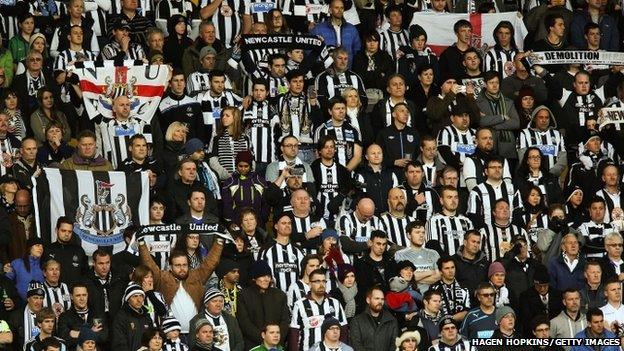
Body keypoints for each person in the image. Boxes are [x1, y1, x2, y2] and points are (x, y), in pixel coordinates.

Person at [138, 233, 224, 336]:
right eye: (178, 265)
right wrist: (142, 243)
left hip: (195, 333)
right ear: (170, 267)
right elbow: (149, 263)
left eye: (184, 265)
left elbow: (211, 263)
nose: (182, 268)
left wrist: (219, 242)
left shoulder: (196, 276)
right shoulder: (163, 277)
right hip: (171, 334)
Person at [289, 269, 348, 351]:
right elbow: (294, 334)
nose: (321, 284)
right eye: (317, 281)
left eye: (324, 281)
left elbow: (343, 331)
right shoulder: (300, 305)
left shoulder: (335, 303)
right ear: (310, 284)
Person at [237, 260, 290, 350]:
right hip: (253, 346)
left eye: (268, 276)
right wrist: (264, 340)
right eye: (262, 276)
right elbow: (244, 323)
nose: (266, 279)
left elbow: (285, 321)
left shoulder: (280, 295)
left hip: (277, 346)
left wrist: (276, 339)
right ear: (254, 277)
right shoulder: (243, 295)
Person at [57, 283, 108, 351]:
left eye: (84, 295)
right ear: (71, 297)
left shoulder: (97, 315)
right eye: (78, 295)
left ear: (87, 295)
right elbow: (65, 340)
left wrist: (76, 333)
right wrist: (91, 332)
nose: (82, 298)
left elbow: (102, 337)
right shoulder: (64, 317)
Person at [309, 0, 360, 67]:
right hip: (325, 70)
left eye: (342, 8)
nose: (340, 10)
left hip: (346, 69)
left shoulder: (351, 29)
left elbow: (357, 50)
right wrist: (319, 64)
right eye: (336, 8)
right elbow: (310, 50)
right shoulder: (318, 29)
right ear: (330, 10)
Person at [427, 185, 474, 256]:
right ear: (441, 201)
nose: (453, 201)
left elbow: (471, 245)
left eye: (456, 197)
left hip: (464, 264)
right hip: (444, 264)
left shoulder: (467, 221)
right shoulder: (434, 220)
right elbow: (433, 247)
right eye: (449, 197)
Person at [395, 221, 440, 293]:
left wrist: (414, 278)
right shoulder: (400, 254)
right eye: (417, 232)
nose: (421, 235)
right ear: (409, 235)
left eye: (423, 232)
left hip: (432, 297)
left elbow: (438, 276)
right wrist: (431, 272)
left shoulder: (433, 253)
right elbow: (404, 278)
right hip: (411, 297)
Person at [349, 286, 398, 351]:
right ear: (368, 300)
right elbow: (356, 345)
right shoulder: (357, 321)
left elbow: (394, 345)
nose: (380, 302)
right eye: (377, 298)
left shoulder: (392, 320)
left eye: (382, 299)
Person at [43, 217, 87, 287]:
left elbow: (85, 275)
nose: (67, 234)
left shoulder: (79, 251)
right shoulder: (47, 250)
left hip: (74, 295)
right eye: (63, 231)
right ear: (56, 230)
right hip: (54, 294)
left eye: (69, 231)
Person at [112, 284, 153, 351]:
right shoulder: (121, 317)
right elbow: (119, 343)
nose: (139, 300)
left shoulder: (146, 316)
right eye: (135, 296)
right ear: (128, 299)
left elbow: (152, 339)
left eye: (141, 296)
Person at [4, 236, 44, 301]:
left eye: (42, 246)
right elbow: (7, 283)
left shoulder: (44, 265)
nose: (41, 248)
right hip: (21, 305)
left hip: (40, 305)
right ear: (29, 248)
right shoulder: (17, 263)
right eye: (37, 245)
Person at [9, 281, 45, 350]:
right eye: (35, 298)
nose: (38, 302)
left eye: (41, 298)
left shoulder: (47, 315)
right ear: (28, 298)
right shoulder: (16, 316)